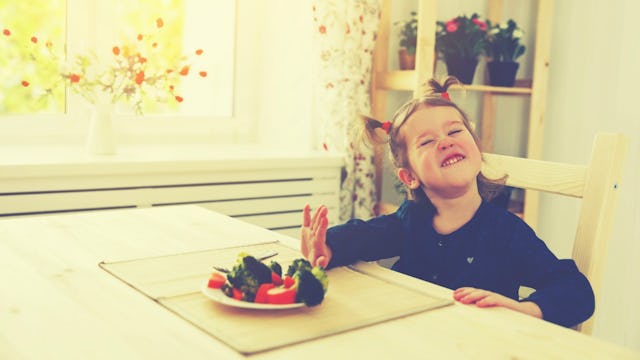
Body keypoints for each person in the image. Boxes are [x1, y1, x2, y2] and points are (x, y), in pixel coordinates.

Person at [301, 76, 594, 328]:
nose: (445, 142)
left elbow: (575, 289)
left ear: (477, 149)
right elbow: (363, 236)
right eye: (427, 142)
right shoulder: (410, 221)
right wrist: (327, 245)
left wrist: (525, 309)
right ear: (409, 177)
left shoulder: (506, 232)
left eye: (454, 131)